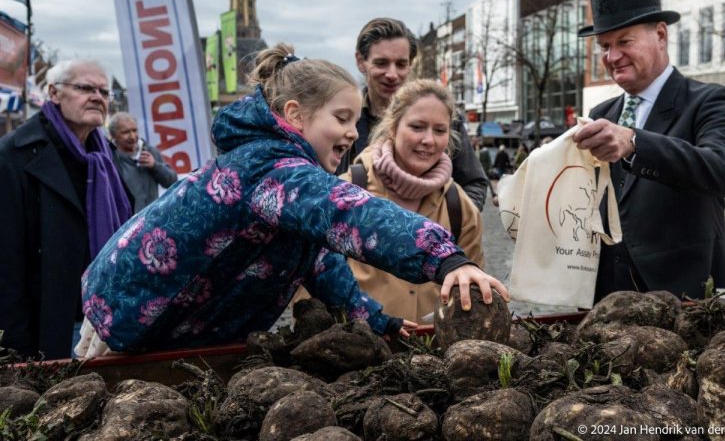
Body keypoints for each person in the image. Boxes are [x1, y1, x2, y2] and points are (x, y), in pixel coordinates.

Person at [77, 43, 508, 356]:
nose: (352, 132)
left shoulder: (287, 177)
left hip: (176, 327)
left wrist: (381, 324)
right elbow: (351, 213)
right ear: (295, 114)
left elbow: (322, 265)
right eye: (341, 118)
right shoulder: (271, 168)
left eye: (355, 121)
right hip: (129, 321)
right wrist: (446, 258)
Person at [572, 0, 725, 300]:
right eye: (605, 46)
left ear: (660, 35)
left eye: (624, 41)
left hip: (684, 293)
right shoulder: (600, 114)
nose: (611, 56)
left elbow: (722, 171)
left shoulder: (709, 100)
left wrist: (635, 142)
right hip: (607, 296)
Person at [0, 59, 132, 359]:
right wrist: (14, 346)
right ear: (54, 93)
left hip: (106, 320)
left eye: (103, 91)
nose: (98, 97)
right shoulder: (15, 154)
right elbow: (6, 259)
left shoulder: (105, 155)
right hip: (49, 326)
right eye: (85, 88)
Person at [341, 79, 485, 323]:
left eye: (440, 130)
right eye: (417, 127)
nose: (429, 140)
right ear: (393, 128)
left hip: (434, 353)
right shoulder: (350, 189)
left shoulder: (459, 205)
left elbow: (471, 289)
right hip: (359, 350)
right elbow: (310, 286)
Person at [338, 17, 488, 211]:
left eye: (401, 64)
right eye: (382, 63)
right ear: (361, 61)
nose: (392, 74)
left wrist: (447, 227)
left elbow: (474, 183)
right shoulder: (342, 118)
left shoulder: (447, 119)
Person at [109, 112, 178, 213]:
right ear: (114, 136)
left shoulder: (150, 152)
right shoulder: (110, 159)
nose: (132, 136)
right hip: (127, 223)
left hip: (152, 219)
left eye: (134, 130)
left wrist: (155, 166)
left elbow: (172, 182)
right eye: (125, 132)